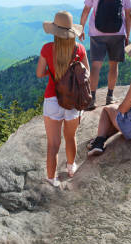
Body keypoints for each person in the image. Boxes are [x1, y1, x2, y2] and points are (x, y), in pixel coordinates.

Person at [36, 11, 90, 186]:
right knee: (70, 136)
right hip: (73, 100)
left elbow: (39, 74)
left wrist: (51, 72)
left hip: (52, 99)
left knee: (53, 143)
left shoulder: (47, 49)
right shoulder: (79, 49)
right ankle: (71, 166)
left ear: (54, 31)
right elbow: (87, 73)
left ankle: (52, 178)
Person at [79, 0, 131, 105]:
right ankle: (110, 97)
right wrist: (127, 34)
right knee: (113, 66)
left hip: (97, 33)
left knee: (96, 65)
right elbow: (128, 15)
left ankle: (92, 99)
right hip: (117, 33)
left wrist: (81, 28)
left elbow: (86, 10)